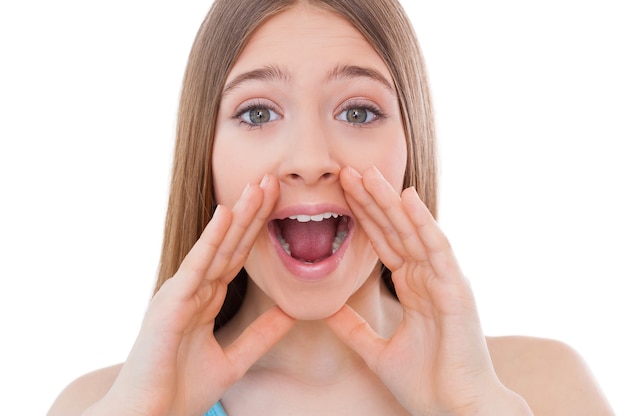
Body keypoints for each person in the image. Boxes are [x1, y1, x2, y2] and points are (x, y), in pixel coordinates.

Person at [48, 0, 614, 415]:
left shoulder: (543, 391)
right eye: (257, 113)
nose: (310, 159)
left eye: (359, 112)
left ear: (410, 146)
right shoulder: (97, 406)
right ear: (207, 155)